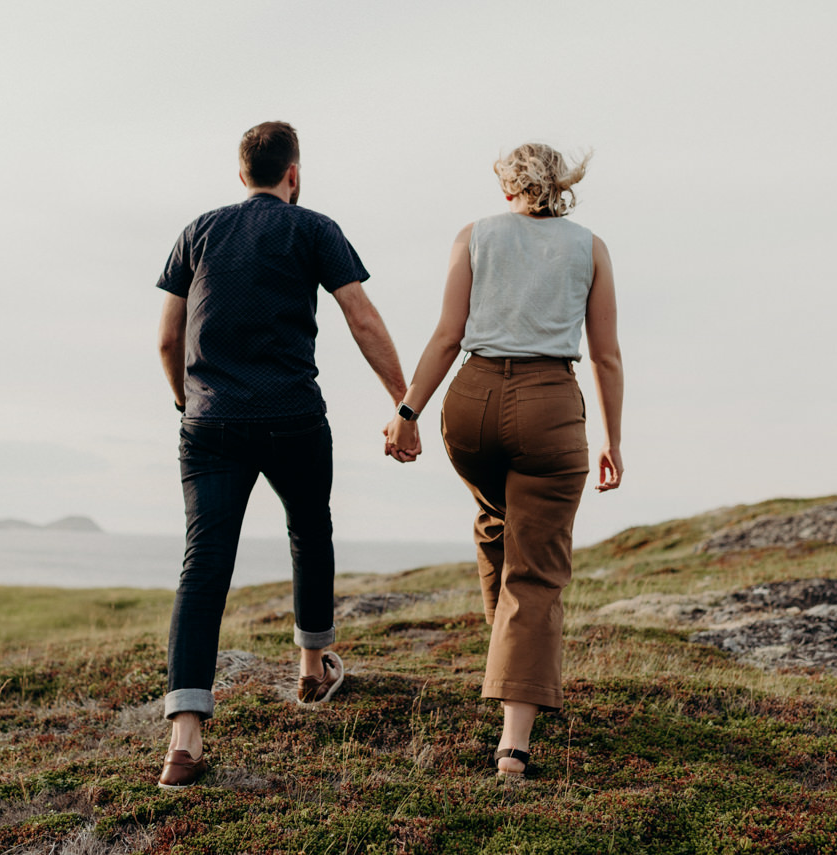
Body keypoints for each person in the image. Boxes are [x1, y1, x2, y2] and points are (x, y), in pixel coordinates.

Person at [155, 121, 411, 789]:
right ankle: (311, 666)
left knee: (204, 561)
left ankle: (185, 736)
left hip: (210, 420)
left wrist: (190, 405)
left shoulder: (199, 231)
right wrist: (403, 402)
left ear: (243, 174)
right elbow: (360, 313)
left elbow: (167, 338)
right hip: (294, 416)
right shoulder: (314, 228)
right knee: (309, 531)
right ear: (292, 174)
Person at [384, 142, 624, 777]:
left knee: (497, 523)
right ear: (562, 185)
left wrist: (406, 414)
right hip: (548, 405)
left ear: (507, 188)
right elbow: (604, 357)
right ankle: (514, 745)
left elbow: (447, 334)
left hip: (471, 403)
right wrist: (612, 439)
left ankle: (506, 658)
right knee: (536, 571)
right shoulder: (590, 247)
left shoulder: (475, 235)